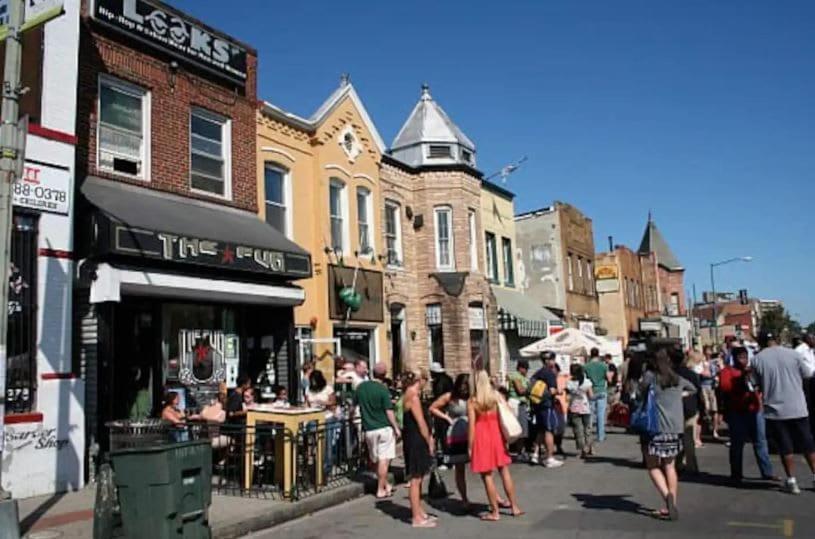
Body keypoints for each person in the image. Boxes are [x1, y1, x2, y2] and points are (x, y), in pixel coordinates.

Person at [752, 331, 815, 494]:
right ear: (777, 340)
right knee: (807, 444)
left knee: (785, 446)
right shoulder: (793, 354)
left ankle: (792, 480)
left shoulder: (757, 359)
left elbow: (754, 384)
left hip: (775, 410)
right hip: (798, 406)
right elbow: (808, 373)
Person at [639, 349, 697, 521]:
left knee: (652, 465)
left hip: (655, 428)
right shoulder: (677, 379)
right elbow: (693, 388)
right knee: (670, 466)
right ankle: (673, 501)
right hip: (675, 428)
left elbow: (638, 393)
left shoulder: (651, 378)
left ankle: (667, 496)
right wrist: (681, 394)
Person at [468, 370, 523, 521]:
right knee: (504, 471)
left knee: (487, 475)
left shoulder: (473, 401)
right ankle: (514, 506)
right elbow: (508, 412)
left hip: (481, 436)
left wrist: (470, 446)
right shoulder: (496, 396)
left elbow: (472, 426)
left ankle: (495, 511)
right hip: (496, 434)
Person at [719, 346, 775, 483]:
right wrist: (741, 380)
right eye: (740, 357)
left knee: (760, 442)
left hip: (755, 409)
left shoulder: (751, 370)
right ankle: (736, 473)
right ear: (734, 358)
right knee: (737, 444)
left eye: (745, 357)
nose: (743, 360)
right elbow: (725, 387)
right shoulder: (727, 371)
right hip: (737, 411)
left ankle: (767, 472)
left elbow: (761, 384)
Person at [429, 373, 481, 509]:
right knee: (460, 468)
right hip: (457, 434)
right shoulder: (449, 397)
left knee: (482, 466)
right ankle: (464, 499)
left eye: (467, 385)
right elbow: (432, 407)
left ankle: (495, 497)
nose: (464, 388)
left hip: (473, 433)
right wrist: (447, 418)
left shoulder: (473, 396)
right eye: (462, 385)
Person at [354, 362, 401, 499]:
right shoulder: (382, 390)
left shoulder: (361, 388)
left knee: (375, 460)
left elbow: (353, 405)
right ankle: (380, 489)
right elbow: (389, 411)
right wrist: (396, 427)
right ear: (384, 375)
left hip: (369, 428)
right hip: (384, 427)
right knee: (383, 461)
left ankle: (385, 484)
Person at [401, 371, 436, 528]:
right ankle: (416, 517)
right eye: (425, 380)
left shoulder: (408, 394)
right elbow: (421, 421)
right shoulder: (413, 396)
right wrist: (429, 440)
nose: (426, 383)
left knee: (419, 477)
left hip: (411, 438)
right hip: (416, 439)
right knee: (416, 479)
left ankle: (419, 511)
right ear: (418, 380)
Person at [529, 352, 564, 467]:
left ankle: (534, 454)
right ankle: (550, 458)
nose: (554, 362)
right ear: (549, 361)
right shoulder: (549, 373)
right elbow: (553, 391)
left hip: (537, 404)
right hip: (547, 405)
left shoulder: (538, 373)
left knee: (541, 430)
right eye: (553, 359)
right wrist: (560, 392)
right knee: (549, 431)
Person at [673, 351, 702, 474]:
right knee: (688, 437)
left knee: (677, 437)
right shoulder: (692, 374)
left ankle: (677, 463)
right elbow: (698, 392)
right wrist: (701, 408)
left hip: (675, 408)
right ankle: (692, 465)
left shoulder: (672, 375)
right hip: (691, 408)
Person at [566, 363, 594, 458]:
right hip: (585, 408)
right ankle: (588, 447)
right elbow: (591, 396)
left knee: (578, 431)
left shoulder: (569, 383)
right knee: (587, 429)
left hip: (574, 408)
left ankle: (582, 450)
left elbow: (568, 397)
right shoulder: (587, 382)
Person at [584, 347, 609, 443]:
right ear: (598, 354)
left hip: (590, 391)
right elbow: (608, 378)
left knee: (590, 414)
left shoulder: (586, 366)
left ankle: (588, 434)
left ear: (590, 354)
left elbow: (584, 379)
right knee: (601, 415)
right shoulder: (603, 365)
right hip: (602, 390)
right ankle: (601, 436)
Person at [507, 360, 531, 459]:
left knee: (523, 428)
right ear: (521, 368)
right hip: (516, 403)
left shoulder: (523, 377)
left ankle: (520, 450)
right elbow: (520, 390)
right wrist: (531, 388)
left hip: (523, 404)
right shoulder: (515, 376)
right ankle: (518, 451)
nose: (526, 371)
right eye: (525, 369)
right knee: (519, 428)